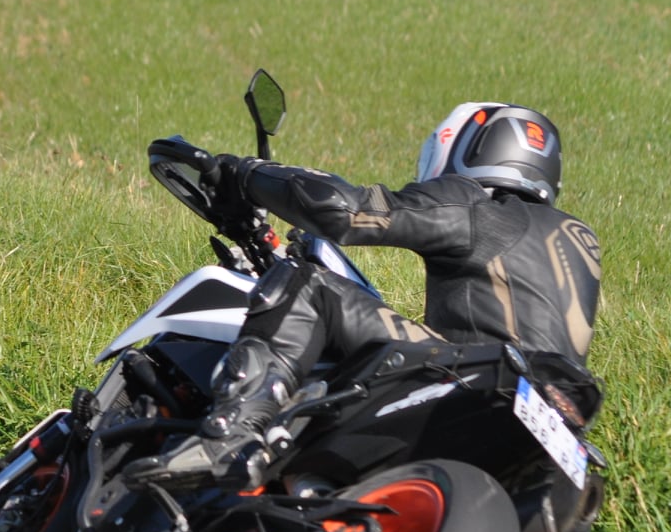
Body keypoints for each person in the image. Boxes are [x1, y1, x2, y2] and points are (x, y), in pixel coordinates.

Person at [126, 101, 603, 491]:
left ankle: (231, 435)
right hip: (561, 423)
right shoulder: (580, 241)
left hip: (473, 373)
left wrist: (245, 174)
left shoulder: (478, 204)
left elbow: (344, 211)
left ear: (468, 150)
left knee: (306, 285)